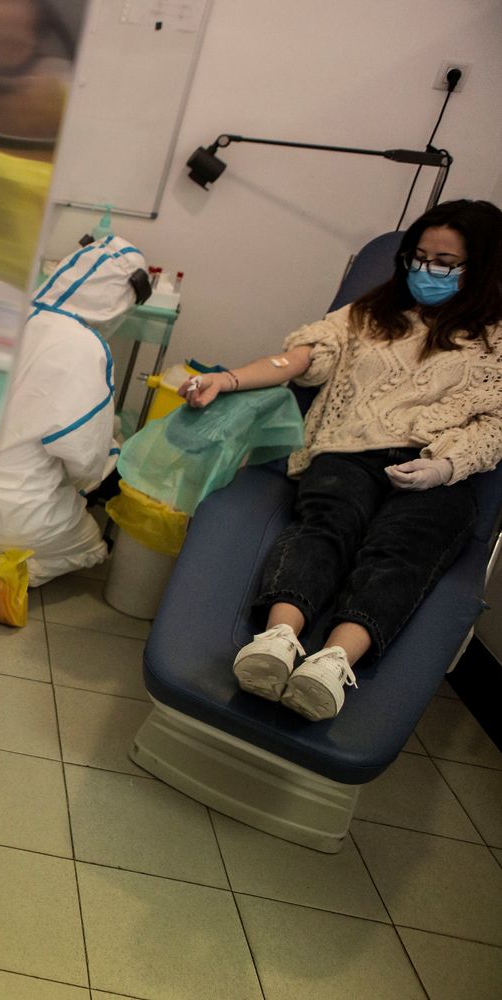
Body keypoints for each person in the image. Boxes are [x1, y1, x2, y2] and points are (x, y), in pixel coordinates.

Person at [182, 199, 502, 721]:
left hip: (438, 469)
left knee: (401, 549)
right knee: (327, 521)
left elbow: (495, 427)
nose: (426, 271)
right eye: (418, 257)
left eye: (444, 262)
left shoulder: (497, 342)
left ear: (483, 267)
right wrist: (228, 378)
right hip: (351, 450)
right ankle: (279, 640)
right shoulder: (371, 313)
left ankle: (332, 662)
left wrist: (446, 465)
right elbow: (304, 354)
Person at [0, 235, 149, 587]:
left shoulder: (12, 312)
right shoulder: (85, 347)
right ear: (118, 303)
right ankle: (7, 572)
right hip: (18, 513)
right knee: (93, 546)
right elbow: (85, 460)